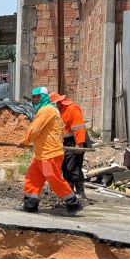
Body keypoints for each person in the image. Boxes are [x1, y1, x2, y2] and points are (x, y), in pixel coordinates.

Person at [18, 87, 83, 216]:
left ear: (44, 98)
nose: (35, 99)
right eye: (34, 97)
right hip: (41, 153)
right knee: (32, 177)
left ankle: (73, 203)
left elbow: (35, 129)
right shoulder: (48, 110)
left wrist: (25, 141)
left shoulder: (46, 109)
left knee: (54, 179)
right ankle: (30, 204)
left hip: (50, 152)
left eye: (38, 97)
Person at [50, 92, 91, 198]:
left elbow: (79, 127)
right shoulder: (58, 112)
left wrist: (79, 145)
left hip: (76, 141)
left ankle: (80, 193)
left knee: (73, 167)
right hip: (65, 142)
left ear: (58, 102)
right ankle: (70, 193)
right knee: (65, 168)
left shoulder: (71, 109)